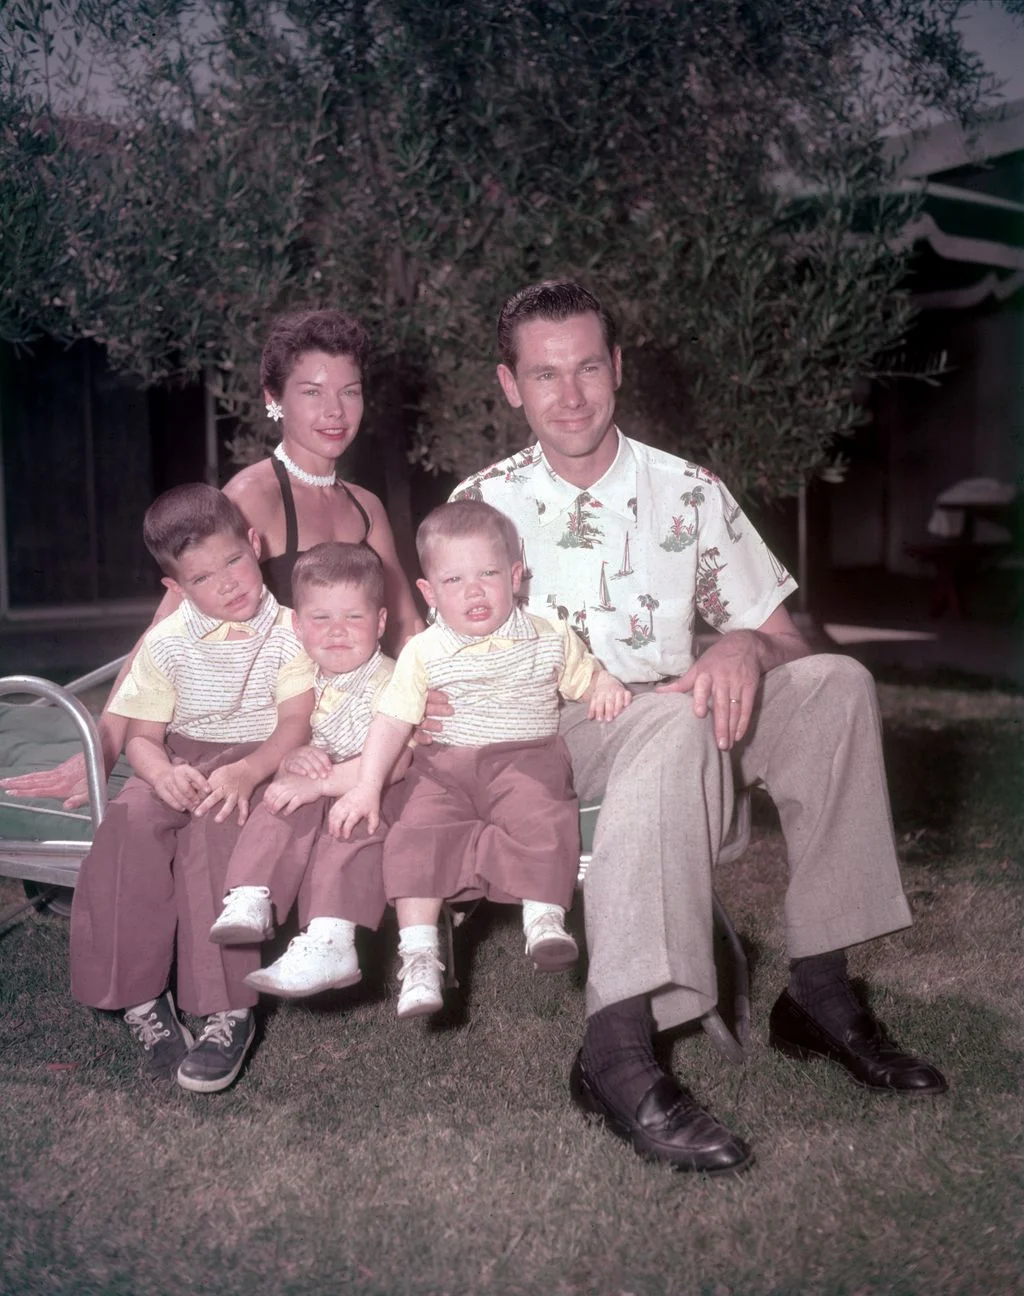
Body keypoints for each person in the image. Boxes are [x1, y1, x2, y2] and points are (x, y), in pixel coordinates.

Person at [447, 280, 947, 1176]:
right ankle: (616, 1050)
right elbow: (442, 678)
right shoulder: (484, 508)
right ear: (509, 386)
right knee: (670, 725)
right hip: (550, 730)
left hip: (678, 708)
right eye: (544, 374)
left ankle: (822, 994)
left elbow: (788, 635)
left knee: (834, 683)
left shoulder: (688, 492)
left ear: (620, 369)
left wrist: (745, 651)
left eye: (588, 367)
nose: (570, 395)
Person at [0, 308, 423, 810]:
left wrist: (429, 696)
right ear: (274, 400)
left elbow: (405, 622)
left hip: (353, 712)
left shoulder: (365, 505)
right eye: (312, 392)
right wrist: (102, 747)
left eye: (349, 391)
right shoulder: (252, 495)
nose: (335, 411)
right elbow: (165, 628)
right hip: (275, 728)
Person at [332, 499, 632, 1020]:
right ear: (428, 592)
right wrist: (365, 784)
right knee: (416, 836)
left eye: (488, 573)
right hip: (443, 769)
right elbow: (392, 720)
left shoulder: (548, 636)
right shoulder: (423, 652)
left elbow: (585, 677)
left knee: (543, 813)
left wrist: (604, 682)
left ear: (515, 577)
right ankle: (420, 955)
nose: (473, 591)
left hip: (526, 758)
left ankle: (543, 920)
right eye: (453, 580)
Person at [70, 484, 315, 1092]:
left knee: (215, 833)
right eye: (203, 578)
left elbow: (295, 723)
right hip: (179, 758)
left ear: (254, 545)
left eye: (234, 561)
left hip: (254, 757)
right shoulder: (166, 642)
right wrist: (159, 773)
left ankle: (227, 1010)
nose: (228, 582)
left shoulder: (290, 630)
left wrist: (250, 771)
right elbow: (142, 737)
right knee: (130, 825)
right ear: (178, 589)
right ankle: (141, 998)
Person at [208, 542, 410, 999]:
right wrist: (293, 760)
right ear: (298, 625)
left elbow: (400, 761)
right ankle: (251, 894)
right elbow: (294, 735)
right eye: (321, 618)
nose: (337, 631)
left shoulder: (393, 680)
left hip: (378, 784)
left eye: (354, 618)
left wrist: (316, 783)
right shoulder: (301, 675)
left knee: (350, 825)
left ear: (380, 622)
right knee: (279, 799)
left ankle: (332, 939)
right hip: (326, 781)